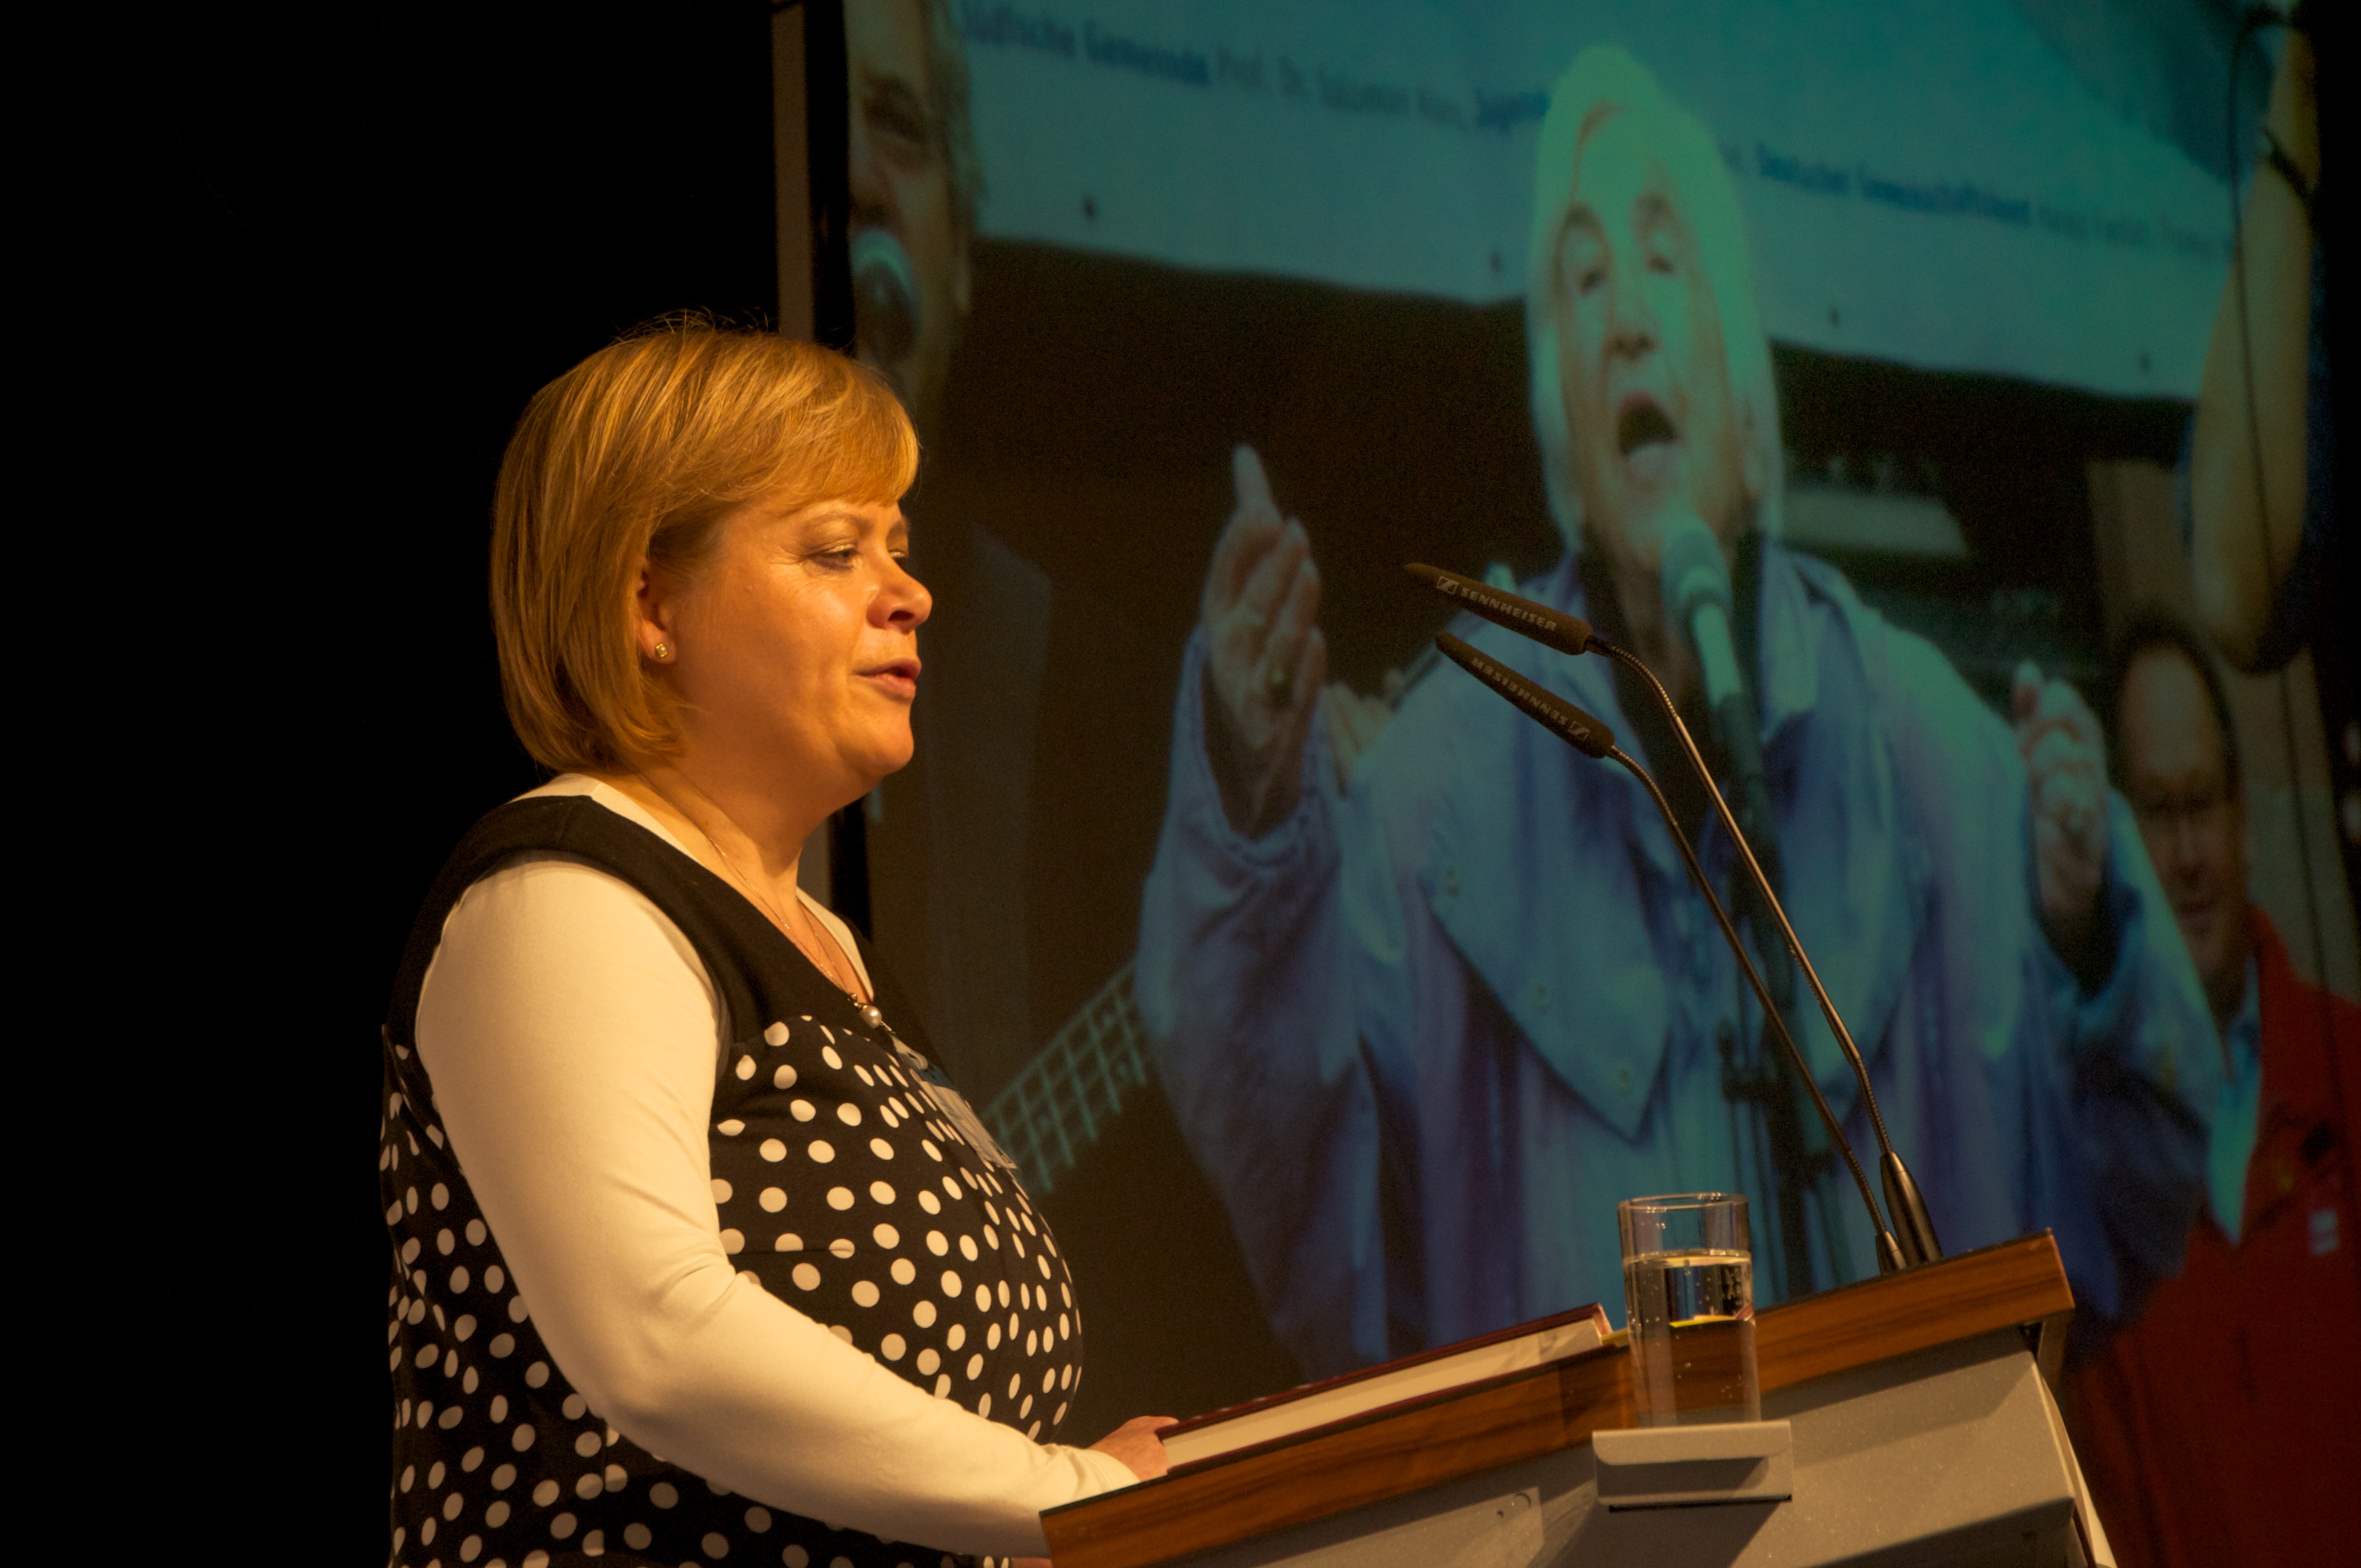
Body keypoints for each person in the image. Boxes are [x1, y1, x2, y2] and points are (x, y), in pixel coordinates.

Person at [1134, 45, 2220, 1377]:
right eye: (1580, 280)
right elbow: (1303, 1206)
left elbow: (2132, 1215)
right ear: (1563, 446)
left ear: (1749, 403)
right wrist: (1251, 808)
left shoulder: (1927, 750)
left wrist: (2089, 936)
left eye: (1661, 260)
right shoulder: (1438, 799)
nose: (1624, 318)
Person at [382, 323, 1167, 1568]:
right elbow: (657, 1333)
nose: (908, 590)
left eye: (899, 549)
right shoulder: (565, 893)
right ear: (650, 602)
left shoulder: (827, 950)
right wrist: (1069, 1492)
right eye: (834, 549)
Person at [2065, 613, 2360, 1565]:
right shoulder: (2075, 1165)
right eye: (2157, 809)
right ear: (2113, 832)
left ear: (2243, 817)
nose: (2189, 856)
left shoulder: (2351, 1073)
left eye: (2203, 803)